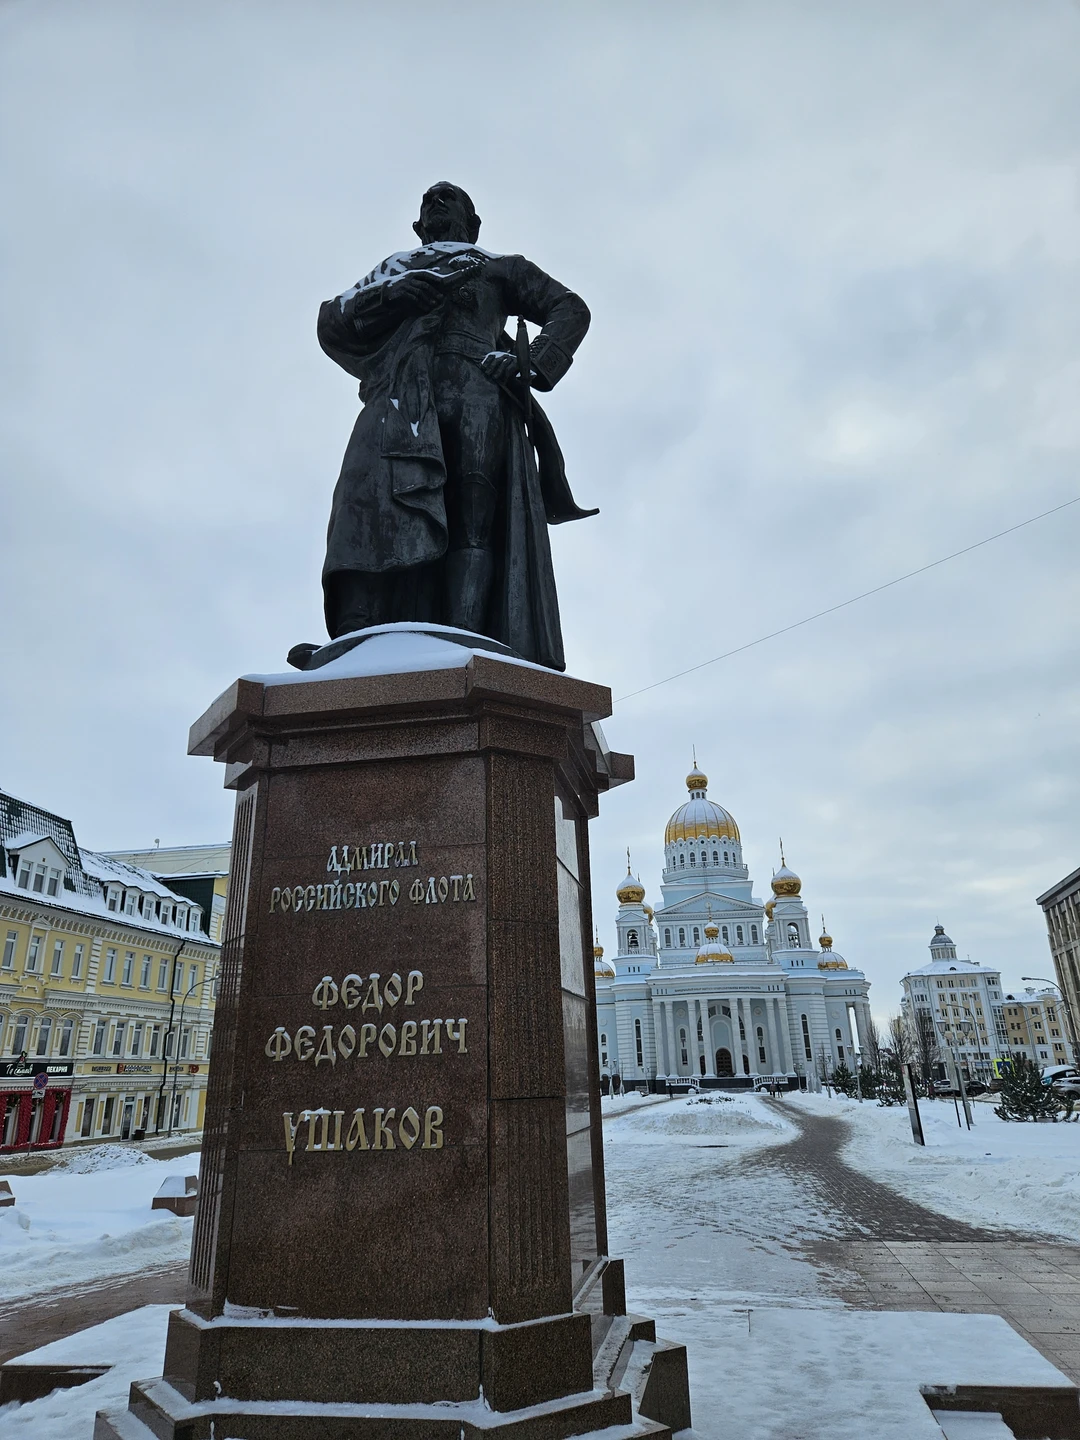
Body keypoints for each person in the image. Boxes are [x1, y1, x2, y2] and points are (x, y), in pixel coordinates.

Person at [316, 183, 594, 671]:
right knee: (361, 501)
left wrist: (531, 364)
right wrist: (392, 296)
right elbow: (331, 322)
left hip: (478, 393)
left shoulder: (499, 267)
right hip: (403, 398)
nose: (438, 201)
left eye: (451, 198)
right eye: (429, 201)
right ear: (419, 228)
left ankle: (466, 639)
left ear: (474, 222)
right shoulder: (395, 269)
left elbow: (570, 308)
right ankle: (357, 637)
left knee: (473, 518)